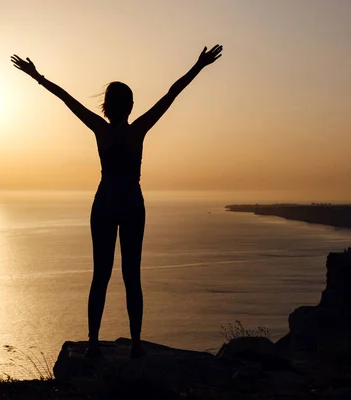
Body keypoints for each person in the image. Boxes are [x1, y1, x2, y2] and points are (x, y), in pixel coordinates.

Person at [11, 44, 223, 358]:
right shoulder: (138, 129)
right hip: (131, 204)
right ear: (131, 106)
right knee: (131, 275)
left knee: (101, 275)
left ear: (107, 107)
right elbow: (171, 94)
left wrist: (37, 76)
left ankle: (94, 343)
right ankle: (135, 344)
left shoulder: (100, 128)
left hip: (106, 203)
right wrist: (198, 66)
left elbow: (67, 99)